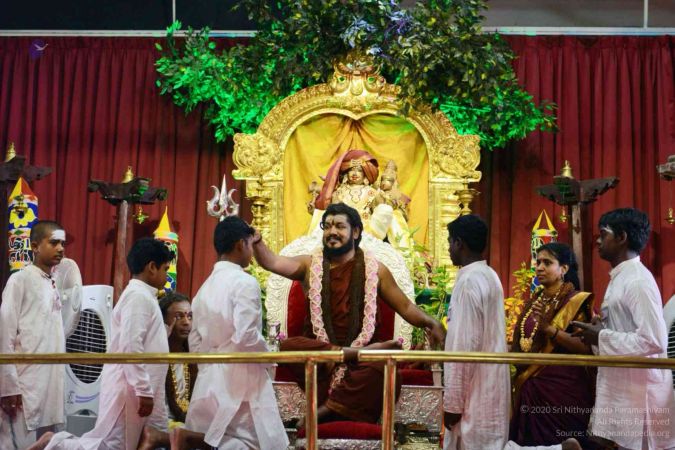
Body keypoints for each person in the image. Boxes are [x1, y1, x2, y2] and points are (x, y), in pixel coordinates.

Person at [253, 202, 446, 424]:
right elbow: (272, 262)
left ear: (355, 232)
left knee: (382, 368)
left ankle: (325, 411)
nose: (332, 232)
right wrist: (257, 242)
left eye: (339, 226)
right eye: (327, 226)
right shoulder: (309, 265)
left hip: (364, 361)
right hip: (321, 357)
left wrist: (433, 323)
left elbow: (406, 307)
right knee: (288, 346)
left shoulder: (377, 270)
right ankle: (353, 356)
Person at [31, 237, 174, 450]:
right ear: (152, 267)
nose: (166, 276)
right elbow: (130, 346)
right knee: (111, 446)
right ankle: (55, 442)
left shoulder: (145, 296)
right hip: (130, 390)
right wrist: (143, 390)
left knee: (153, 439)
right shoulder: (138, 297)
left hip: (143, 388)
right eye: (165, 269)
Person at [172, 216, 288, 450]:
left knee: (218, 438)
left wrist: (209, 368)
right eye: (250, 245)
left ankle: (190, 438)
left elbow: (195, 341)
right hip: (240, 376)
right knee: (253, 442)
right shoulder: (244, 282)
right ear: (240, 245)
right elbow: (247, 336)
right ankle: (188, 437)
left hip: (209, 379)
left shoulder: (203, 289)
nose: (252, 252)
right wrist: (269, 358)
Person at [573, 208, 675, 450]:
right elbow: (623, 332)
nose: (598, 241)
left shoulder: (637, 280)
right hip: (623, 388)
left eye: (603, 234)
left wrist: (601, 336)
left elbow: (653, 341)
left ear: (622, 237)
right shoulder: (621, 277)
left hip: (640, 395)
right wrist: (599, 332)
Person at [510, 242, 596, 447]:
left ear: (563, 269)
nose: (539, 267)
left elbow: (586, 348)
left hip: (561, 392)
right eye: (538, 262)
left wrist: (549, 329)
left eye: (547, 263)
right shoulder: (535, 301)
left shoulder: (576, 302)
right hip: (530, 388)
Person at [442, 215, 510, 450]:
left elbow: (464, 347)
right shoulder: (490, 275)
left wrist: (452, 405)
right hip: (489, 388)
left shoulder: (469, 281)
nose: (448, 248)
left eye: (450, 242)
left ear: (459, 243)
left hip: (474, 394)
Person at [0, 221, 69, 448]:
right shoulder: (19, 280)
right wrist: (8, 387)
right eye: (54, 242)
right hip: (25, 386)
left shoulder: (53, 282)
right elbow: (4, 334)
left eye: (63, 243)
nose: (60, 248)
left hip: (51, 385)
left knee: (50, 443)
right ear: (36, 246)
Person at [135, 291, 199, 449]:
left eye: (190, 316)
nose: (186, 322)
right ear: (164, 322)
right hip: (162, 423)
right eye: (179, 316)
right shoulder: (156, 357)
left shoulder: (194, 357)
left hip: (187, 421)